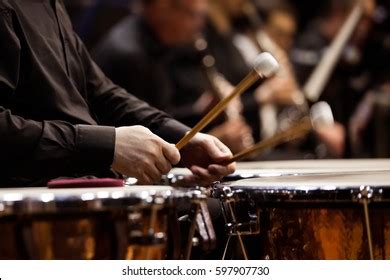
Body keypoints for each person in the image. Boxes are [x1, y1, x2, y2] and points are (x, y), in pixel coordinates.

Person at [0, 0, 235, 188]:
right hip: (34, 204)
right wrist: (108, 145)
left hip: (84, 186)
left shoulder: (51, 5)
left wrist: (185, 138)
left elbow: (101, 92)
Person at [93, 0, 254, 154]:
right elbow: (144, 139)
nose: (200, 24)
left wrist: (203, 113)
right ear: (162, 7)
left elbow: (161, 114)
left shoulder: (162, 45)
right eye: (193, 15)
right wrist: (212, 139)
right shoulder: (129, 55)